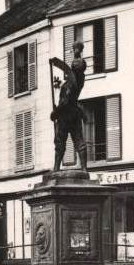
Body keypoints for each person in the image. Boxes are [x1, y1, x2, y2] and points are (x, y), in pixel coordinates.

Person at [50, 41, 88, 172]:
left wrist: (56, 112)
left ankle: (56, 168)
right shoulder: (79, 81)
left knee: (60, 142)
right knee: (79, 140)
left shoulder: (71, 84)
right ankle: (84, 168)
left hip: (65, 114)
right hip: (75, 113)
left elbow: (65, 101)